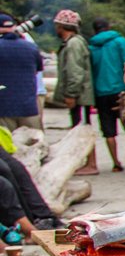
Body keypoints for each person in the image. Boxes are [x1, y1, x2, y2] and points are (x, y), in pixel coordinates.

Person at [51, 10, 100, 175]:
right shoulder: (72, 42)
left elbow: (75, 71)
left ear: (62, 26)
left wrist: (71, 94)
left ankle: (91, 163)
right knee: (78, 128)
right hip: (80, 94)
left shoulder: (73, 44)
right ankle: (86, 161)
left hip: (81, 96)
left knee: (83, 129)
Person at [88, 18, 125, 171]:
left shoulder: (90, 46)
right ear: (109, 27)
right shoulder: (120, 41)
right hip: (120, 90)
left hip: (100, 92)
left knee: (108, 130)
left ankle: (115, 162)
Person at [0, 14, 45, 134]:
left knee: (7, 149)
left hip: (4, 108)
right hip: (29, 107)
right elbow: (37, 70)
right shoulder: (31, 47)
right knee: (34, 147)